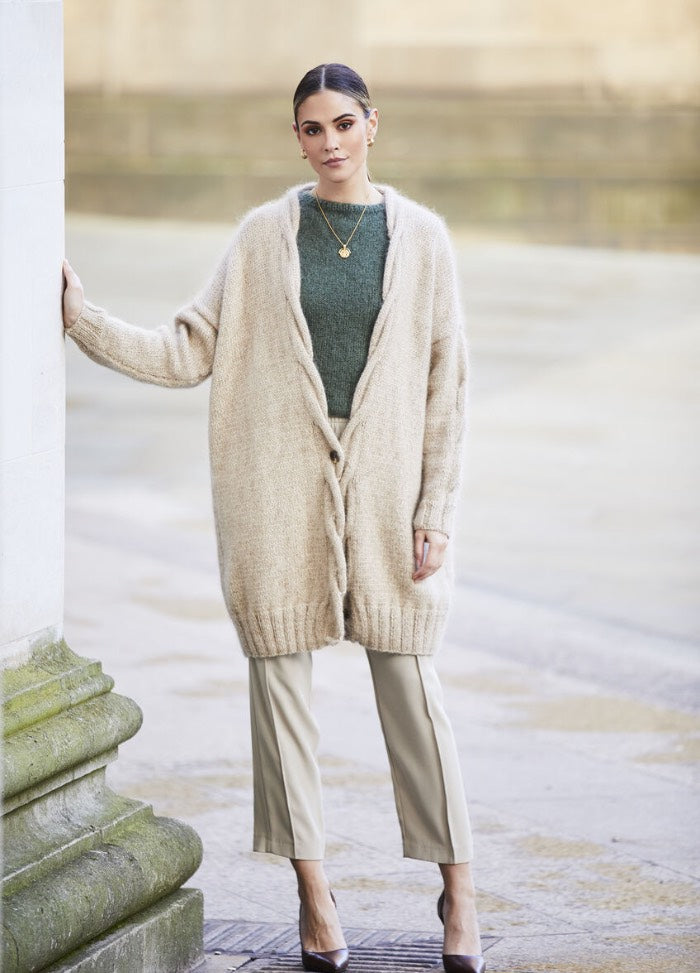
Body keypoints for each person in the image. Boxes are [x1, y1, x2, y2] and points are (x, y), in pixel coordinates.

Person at [62, 62, 485, 973]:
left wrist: (435, 508)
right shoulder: (261, 236)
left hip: (386, 503)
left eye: (342, 123)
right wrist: (82, 319)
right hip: (276, 496)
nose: (327, 142)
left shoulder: (423, 240)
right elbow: (188, 349)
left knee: (414, 695)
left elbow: (447, 384)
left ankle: (460, 889)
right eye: (309, 128)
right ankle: (314, 894)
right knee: (280, 699)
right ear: (295, 136)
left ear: (374, 125)